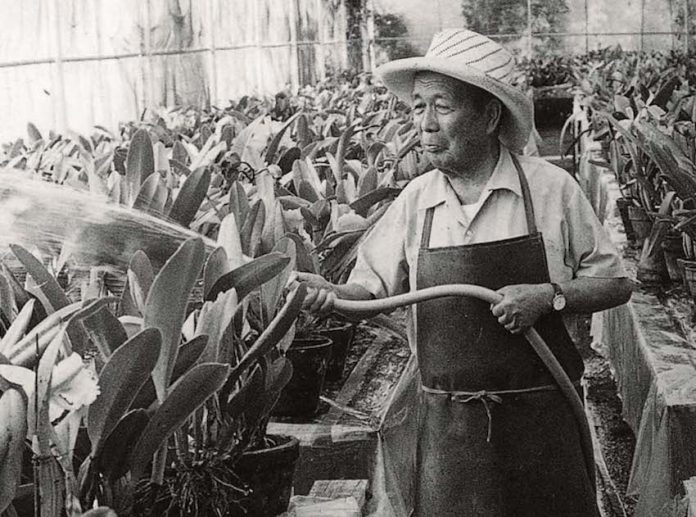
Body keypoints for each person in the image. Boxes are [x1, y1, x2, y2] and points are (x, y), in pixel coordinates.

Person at [299, 29, 632, 517]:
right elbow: (367, 289)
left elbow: (616, 283)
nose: (425, 125)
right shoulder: (417, 201)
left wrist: (550, 295)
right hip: (448, 429)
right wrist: (330, 293)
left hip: (544, 419)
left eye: (443, 107)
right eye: (417, 107)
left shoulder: (549, 190)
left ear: (490, 115)